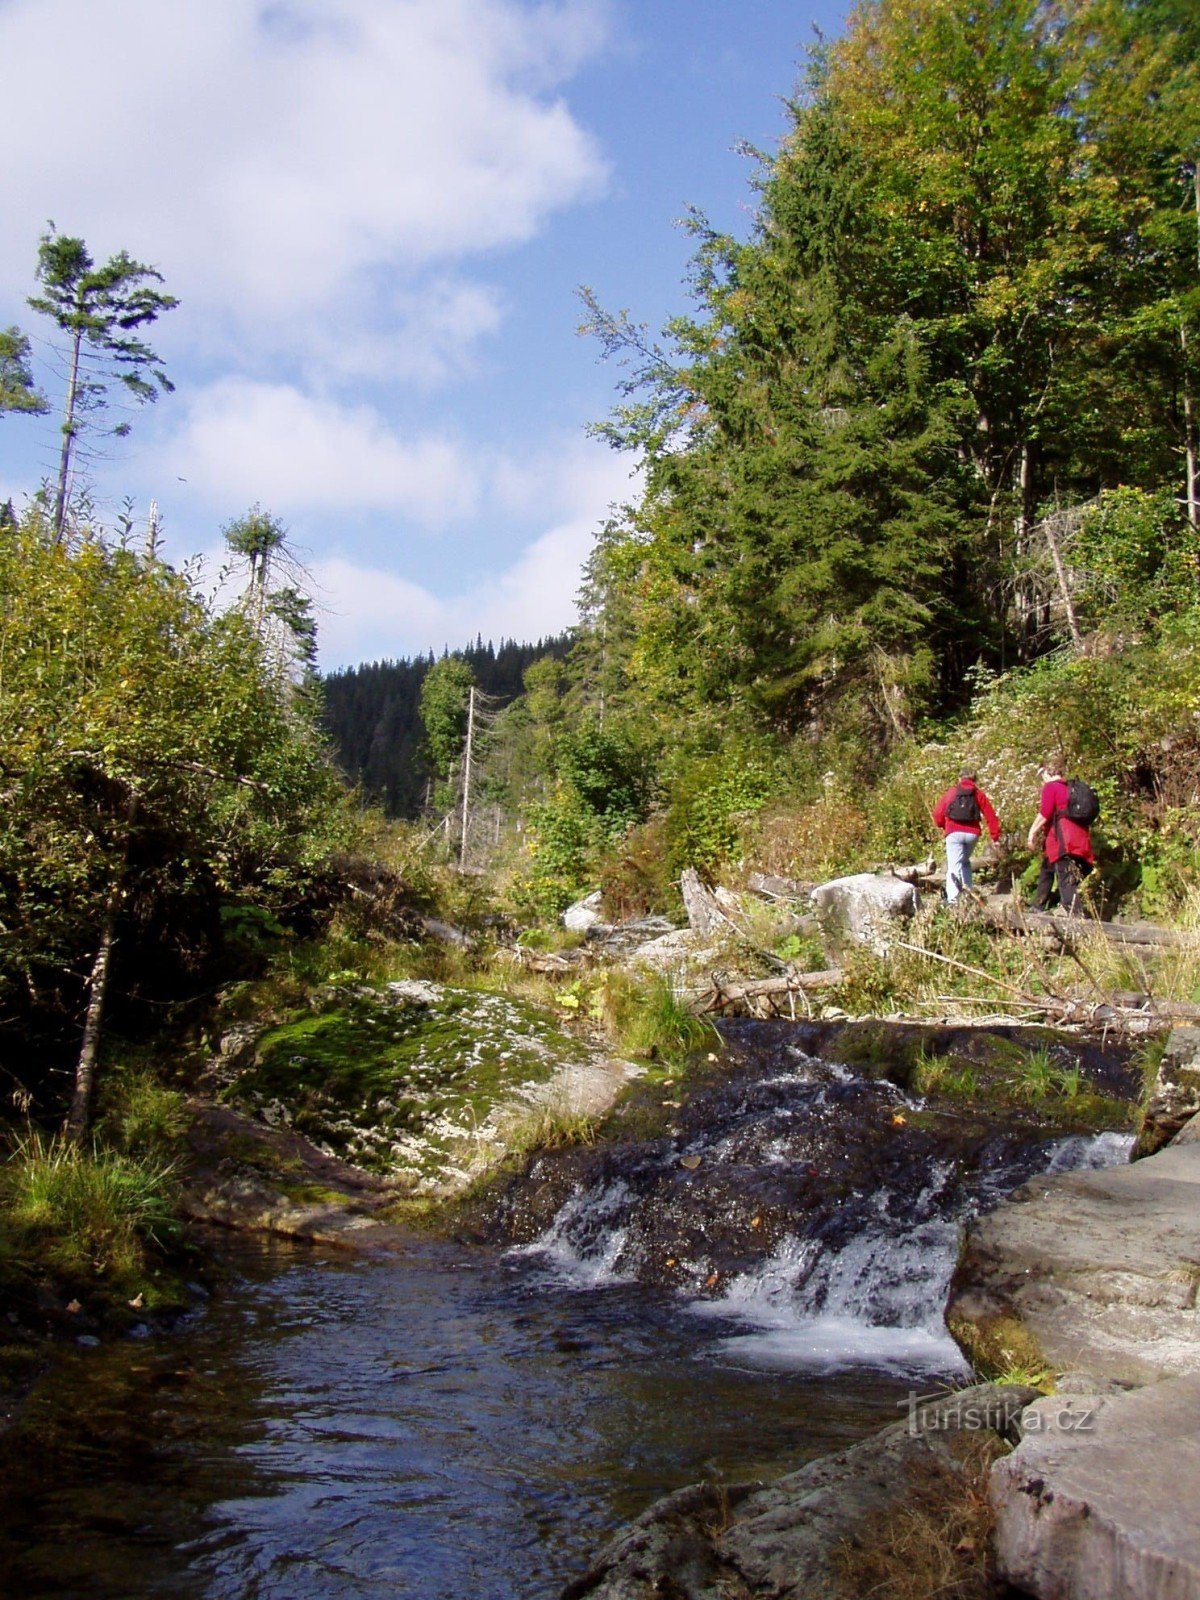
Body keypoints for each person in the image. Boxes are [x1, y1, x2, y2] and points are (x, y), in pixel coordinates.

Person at [1027, 758, 1095, 912]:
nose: (1041, 779)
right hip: (1080, 839)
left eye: (1041, 774)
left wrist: (1032, 833)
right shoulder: (1070, 788)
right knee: (1047, 869)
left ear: (1046, 772)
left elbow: (1045, 813)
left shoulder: (1051, 787)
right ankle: (1038, 905)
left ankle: (1076, 918)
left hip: (1063, 842)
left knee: (1066, 880)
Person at [932, 770, 1001, 903]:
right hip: (972, 834)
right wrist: (995, 836)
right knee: (965, 862)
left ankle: (953, 900)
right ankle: (969, 893)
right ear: (975, 780)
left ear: (960, 778)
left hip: (953, 833)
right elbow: (991, 816)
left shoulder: (952, 792)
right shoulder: (978, 794)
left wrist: (943, 826)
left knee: (954, 866)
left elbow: (937, 813)